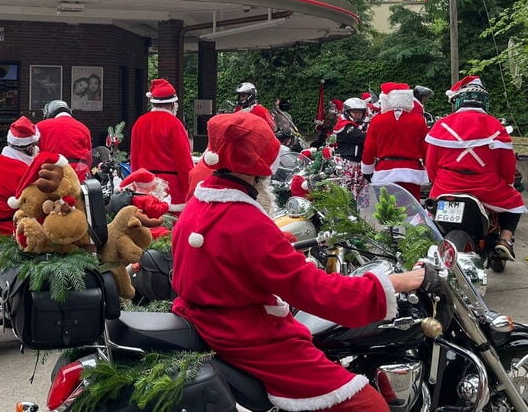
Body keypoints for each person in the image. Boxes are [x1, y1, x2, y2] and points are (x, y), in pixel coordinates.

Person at [172, 111, 425, 412]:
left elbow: (228, 256)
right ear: (261, 166)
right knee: (367, 405)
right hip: (247, 334)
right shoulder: (245, 220)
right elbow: (312, 290)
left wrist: (280, 247)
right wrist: (392, 283)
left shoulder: (198, 205)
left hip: (210, 324)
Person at [425, 76, 526, 261]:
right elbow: (507, 166)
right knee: (515, 203)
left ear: (458, 101)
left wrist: (436, 182)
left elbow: (431, 164)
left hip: (446, 186)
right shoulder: (495, 126)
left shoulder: (442, 125)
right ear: (484, 102)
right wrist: (509, 182)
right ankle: (504, 240)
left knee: (429, 217)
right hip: (486, 187)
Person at [129, 79, 194, 211]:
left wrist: (136, 184)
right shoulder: (174, 124)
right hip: (171, 189)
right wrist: (190, 190)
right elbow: (183, 161)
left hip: (144, 185)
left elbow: (134, 158)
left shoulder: (139, 123)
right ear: (172, 104)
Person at [361, 82, 429, 201]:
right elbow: (426, 149)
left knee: (387, 211)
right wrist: (430, 170)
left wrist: (367, 170)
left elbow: (369, 148)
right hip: (411, 171)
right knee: (412, 210)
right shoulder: (418, 120)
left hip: (385, 170)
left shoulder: (377, 120)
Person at [0, 116, 40, 236]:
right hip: (7, 228)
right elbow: (34, 202)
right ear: (30, 147)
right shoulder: (22, 170)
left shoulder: (2, 160)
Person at [36, 100, 92, 182]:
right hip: (79, 174)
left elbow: (34, 154)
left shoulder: (40, 126)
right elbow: (88, 157)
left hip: (51, 174)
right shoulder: (83, 127)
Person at [332, 97, 369, 203]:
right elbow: (362, 138)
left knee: (359, 192)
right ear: (348, 112)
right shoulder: (346, 126)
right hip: (348, 163)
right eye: (355, 112)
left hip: (356, 163)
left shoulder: (359, 125)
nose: (357, 115)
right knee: (349, 193)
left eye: (360, 112)